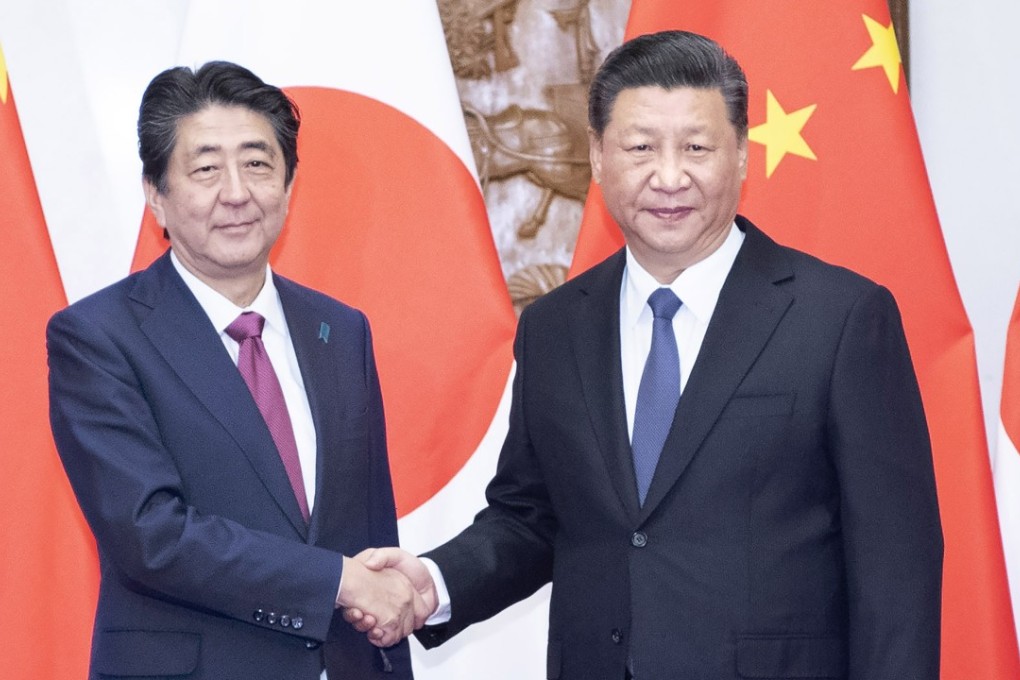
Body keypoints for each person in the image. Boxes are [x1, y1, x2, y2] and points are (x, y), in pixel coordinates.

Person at [348, 30, 944, 679]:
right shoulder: (554, 328)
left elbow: (897, 566)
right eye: (640, 148)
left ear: (742, 154)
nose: (669, 176)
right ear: (598, 156)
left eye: (696, 147)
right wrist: (433, 583)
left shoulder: (840, 318)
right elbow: (534, 516)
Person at [47, 61, 427, 679]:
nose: (236, 192)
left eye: (257, 163)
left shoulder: (341, 330)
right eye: (205, 169)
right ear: (155, 194)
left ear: (289, 183)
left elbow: (369, 533)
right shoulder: (97, 336)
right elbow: (150, 535)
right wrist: (338, 581)